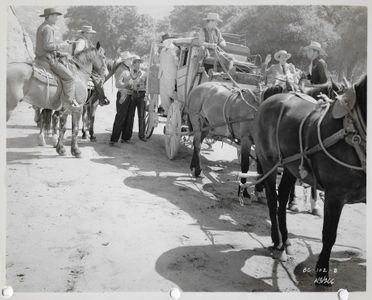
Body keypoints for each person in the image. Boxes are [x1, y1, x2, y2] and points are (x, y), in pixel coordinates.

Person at [35, 8, 79, 108]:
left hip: (40, 58)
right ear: (49, 16)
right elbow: (47, 46)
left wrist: (59, 53)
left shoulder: (41, 27)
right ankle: (69, 101)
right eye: (55, 16)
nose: (57, 18)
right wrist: (63, 45)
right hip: (48, 59)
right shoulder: (48, 28)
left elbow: (44, 46)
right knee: (70, 78)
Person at [110, 51, 136, 145]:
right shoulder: (121, 69)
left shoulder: (128, 68)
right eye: (130, 59)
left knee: (129, 117)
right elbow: (118, 84)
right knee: (121, 117)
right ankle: (114, 140)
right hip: (123, 94)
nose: (131, 60)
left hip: (129, 94)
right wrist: (127, 83)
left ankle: (126, 138)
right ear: (126, 60)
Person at [126, 55, 147, 142]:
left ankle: (141, 135)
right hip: (133, 94)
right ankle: (128, 136)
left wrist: (147, 95)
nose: (137, 64)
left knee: (141, 116)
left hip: (142, 95)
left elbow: (147, 85)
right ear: (133, 64)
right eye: (135, 62)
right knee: (130, 116)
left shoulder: (144, 74)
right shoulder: (130, 73)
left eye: (138, 62)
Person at [158, 35, 178, 116]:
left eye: (165, 41)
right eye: (163, 41)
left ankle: (179, 103)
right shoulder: (163, 50)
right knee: (163, 94)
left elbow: (178, 63)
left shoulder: (175, 49)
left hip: (171, 75)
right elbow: (161, 62)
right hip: (162, 74)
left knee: (170, 92)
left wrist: (174, 56)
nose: (164, 43)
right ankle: (167, 111)